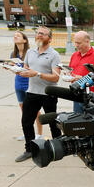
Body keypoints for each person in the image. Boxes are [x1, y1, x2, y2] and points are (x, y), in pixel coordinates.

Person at [15, 26, 61, 162]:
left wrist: (38, 74)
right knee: (26, 122)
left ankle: (59, 148)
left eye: (43, 34)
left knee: (53, 122)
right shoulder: (30, 52)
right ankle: (30, 149)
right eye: (37, 33)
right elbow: (27, 68)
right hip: (32, 92)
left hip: (48, 94)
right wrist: (17, 69)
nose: (39, 35)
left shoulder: (54, 54)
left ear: (50, 38)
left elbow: (56, 77)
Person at [9, 31, 43, 140]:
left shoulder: (31, 53)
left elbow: (34, 69)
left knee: (35, 111)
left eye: (18, 35)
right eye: (14, 36)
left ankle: (39, 134)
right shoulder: (13, 54)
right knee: (24, 111)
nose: (15, 37)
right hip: (18, 84)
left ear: (24, 40)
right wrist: (10, 68)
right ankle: (28, 133)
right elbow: (16, 71)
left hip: (29, 84)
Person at [68, 31, 94, 113]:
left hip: (92, 97)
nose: (76, 45)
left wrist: (82, 79)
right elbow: (72, 72)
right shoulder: (74, 55)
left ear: (87, 42)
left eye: (79, 43)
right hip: (78, 95)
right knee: (78, 122)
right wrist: (68, 75)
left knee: (93, 123)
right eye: (75, 42)